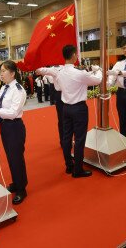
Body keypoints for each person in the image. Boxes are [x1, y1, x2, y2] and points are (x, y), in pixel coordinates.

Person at [36, 45, 102, 178]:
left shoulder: (58, 71)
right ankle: (78, 169)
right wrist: (98, 69)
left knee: (66, 138)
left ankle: (69, 165)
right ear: (73, 56)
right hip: (79, 108)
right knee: (79, 138)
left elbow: (40, 70)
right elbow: (98, 80)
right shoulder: (79, 73)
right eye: (76, 54)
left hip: (66, 108)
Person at [0, 60, 28, 205]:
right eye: (1, 71)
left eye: (3, 71)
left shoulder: (18, 90)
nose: (1, 74)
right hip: (4, 126)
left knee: (16, 158)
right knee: (10, 157)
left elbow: (12, 113)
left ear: (12, 73)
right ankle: (16, 183)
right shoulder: (4, 88)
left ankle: (22, 189)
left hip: (14, 127)